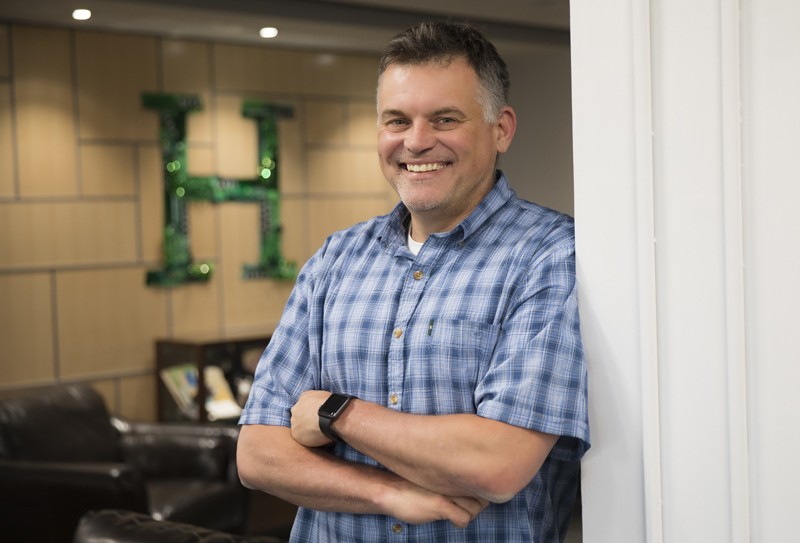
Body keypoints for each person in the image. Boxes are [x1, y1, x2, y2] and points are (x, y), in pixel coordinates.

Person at [237, 20, 590, 543]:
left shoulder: (552, 255)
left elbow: (498, 463)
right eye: (397, 121)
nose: (417, 142)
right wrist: (388, 492)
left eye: (444, 119)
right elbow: (257, 454)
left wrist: (335, 412)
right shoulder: (336, 258)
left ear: (501, 128)